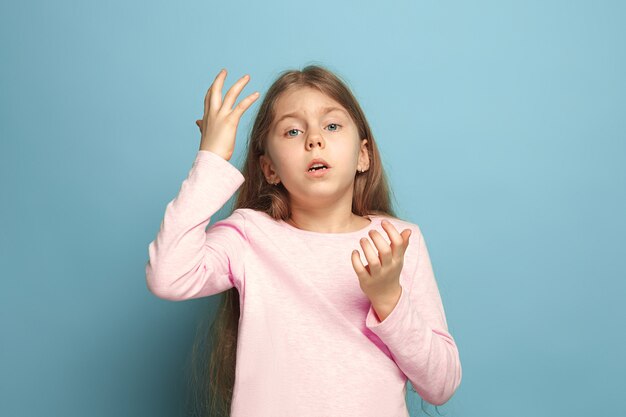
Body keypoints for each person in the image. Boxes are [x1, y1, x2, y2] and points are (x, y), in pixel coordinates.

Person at [145, 65, 462, 417]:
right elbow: (167, 275)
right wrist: (211, 159)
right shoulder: (249, 235)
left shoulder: (399, 241)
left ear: (363, 155)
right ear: (270, 170)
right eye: (293, 131)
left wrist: (389, 299)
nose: (314, 139)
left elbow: (441, 385)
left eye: (331, 125)